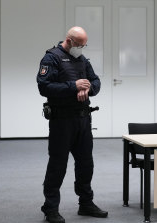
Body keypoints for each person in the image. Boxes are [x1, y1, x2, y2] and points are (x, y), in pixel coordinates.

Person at [36, 26, 108, 223]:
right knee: (58, 165)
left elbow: (95, 81)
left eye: (85, 45)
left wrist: (88, 89)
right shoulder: (51, 58)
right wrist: (73, 86)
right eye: (80, 45)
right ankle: (50, 208)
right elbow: (44, 86)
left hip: (83, 120)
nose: (82, 49)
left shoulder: (82, 59)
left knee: (86, 164)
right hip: (62, 121)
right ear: (69, 41)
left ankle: (86, 203)